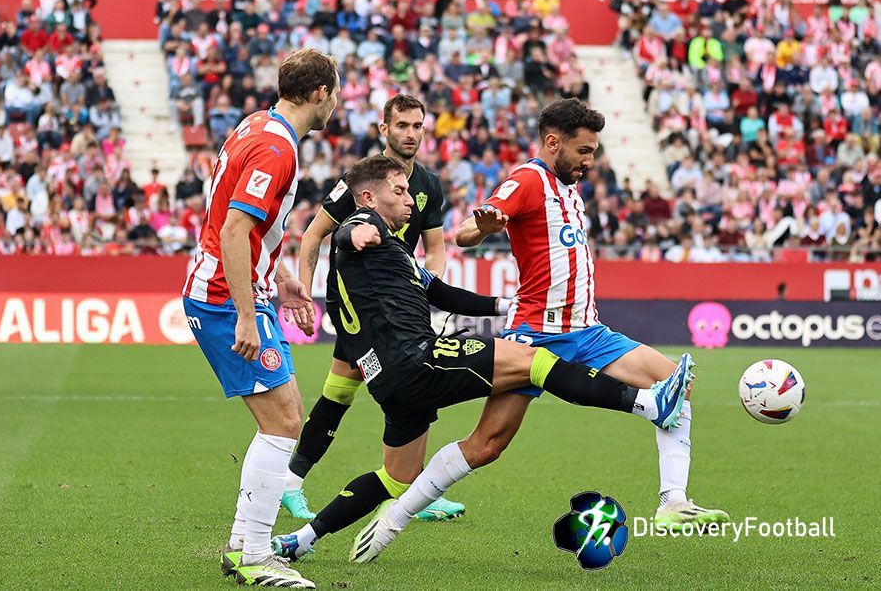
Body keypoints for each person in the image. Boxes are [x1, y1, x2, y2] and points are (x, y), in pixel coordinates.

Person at [329, 99, 729, 564]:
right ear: (553, 142)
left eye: (593, 151)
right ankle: (394, 520)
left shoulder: (570, 188)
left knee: (678, 385)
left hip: (589, 330)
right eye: (583, 151)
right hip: (536, 334)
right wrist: (482, 227)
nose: (590, 161)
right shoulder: (527, 180)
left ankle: (673, 502)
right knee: (486, 446)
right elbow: (463, 234)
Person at [181, 48, 340, 589]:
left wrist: (279, 281)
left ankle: (245, 546)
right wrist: (248, 314)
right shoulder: (277, 148)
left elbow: (245, 228)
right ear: (321, 93)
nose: (336, 104)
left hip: (241, 288)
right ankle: (250, 553)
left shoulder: (259, 124)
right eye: (335, 93)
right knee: (283, 422)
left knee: (287, 415)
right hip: (226, 298)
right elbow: (231, 230)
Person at [286, 95, 463, 522]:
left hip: (399, 309)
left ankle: (295, 482)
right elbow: (313, 237)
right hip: (359, 305)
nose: (410, 133)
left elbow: (436, 248)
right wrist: (304, 293)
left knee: (349, 389)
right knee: (392, 384)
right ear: (383, 129)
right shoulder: (362, 181)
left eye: (417, 125)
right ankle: (405, 488)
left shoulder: (428, 185)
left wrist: (425, 291)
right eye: (401, 125)